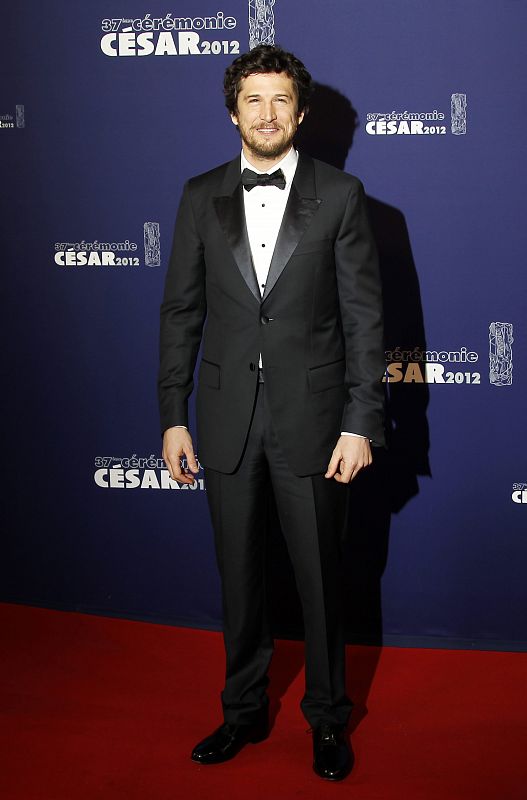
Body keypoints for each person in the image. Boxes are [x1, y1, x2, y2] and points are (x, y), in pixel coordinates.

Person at [158, 44, 385, 781]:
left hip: (314, 422)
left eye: (280, 99)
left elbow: (364, 320)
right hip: (225, 418)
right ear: (233, 112)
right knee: (239, 578)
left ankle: (328, 717)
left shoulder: (341, 195)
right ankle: (243, 711)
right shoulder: (199, 195)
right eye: (252, 100)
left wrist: (360, 421)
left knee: (320, 581)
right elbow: (181, 313)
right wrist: (172, 415)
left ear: (301, 112)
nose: (266, 113)